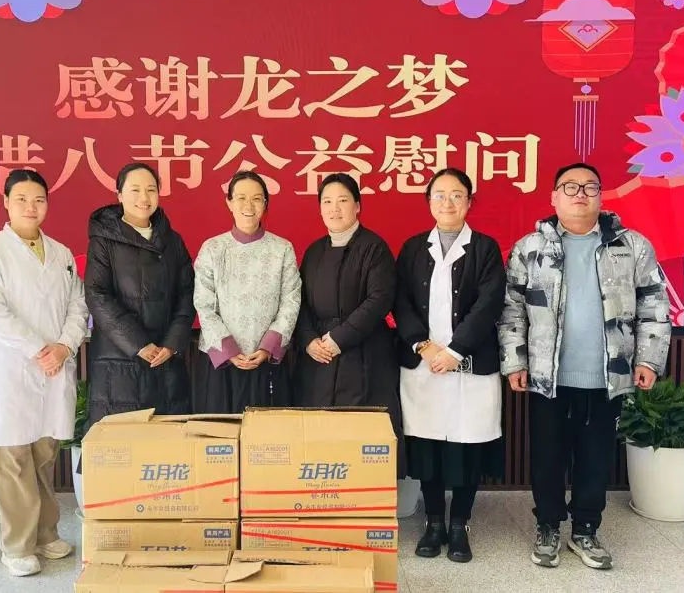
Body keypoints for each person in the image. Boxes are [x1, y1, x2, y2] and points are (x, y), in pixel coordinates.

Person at [499, 162, 672, 570]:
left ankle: (586, 529)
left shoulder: (631, 246)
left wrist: (648, 359)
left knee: (595, 459)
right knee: (547, 458)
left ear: (601, 195)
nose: (580, 194)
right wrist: (515, 361)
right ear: (553, 197)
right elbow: (512, 310)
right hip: (548, 377)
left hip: (607, 376)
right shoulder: (530, 248)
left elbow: (654, 305)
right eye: (570, 187)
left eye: (590, 187)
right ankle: (547, 526)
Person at [0, 170, 88, 577]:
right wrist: (39, 349)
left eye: (38, 199)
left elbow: (78, 307)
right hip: (11, 368)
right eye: (21, 199)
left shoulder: (62, 253)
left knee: (43, 454)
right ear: (6, 202)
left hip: (53, 366)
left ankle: (45, 533)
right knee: (13, 458)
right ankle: (17, 545)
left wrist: (64, 346)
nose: (30, 207)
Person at [393, 169, 506, 563]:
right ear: (428, 202)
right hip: (423, 365)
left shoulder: (485, 249)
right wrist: (423, 345)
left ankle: (460, 524)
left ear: (469, 202)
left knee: (466, 446)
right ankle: (434, 522)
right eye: (439, 195)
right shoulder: (412, 248)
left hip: (469, 366)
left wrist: (455, 350)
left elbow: (489, 303)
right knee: (427, 448)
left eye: (456, 195)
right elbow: (400, 302)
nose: (447, 202)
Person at [293, 173, 403, 466]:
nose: (335, 208)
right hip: (318, 356)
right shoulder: (314, 251)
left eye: (342, 200)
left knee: (361, 440)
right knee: (319, 436)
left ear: (357, 206)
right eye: (327, 201)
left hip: (364, 353)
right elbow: (299, 302)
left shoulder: (374, 247)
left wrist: (338, 338)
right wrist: (308, 340)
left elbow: (379, 300)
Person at [85, 162, 195, 423]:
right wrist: (139, 344)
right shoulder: (104, 240)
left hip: (165, 360)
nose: (144, 198)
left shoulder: (173, 240)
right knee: (123, 441)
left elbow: (188, 293)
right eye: (135, 190)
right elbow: (97, 294)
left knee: (167, 440)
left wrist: (171, 344)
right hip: (119, 362)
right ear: (120, 195)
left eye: (151, 190)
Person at [192, 170, 301, 412]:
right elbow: (204, 304)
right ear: (229, 202)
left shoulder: (282, 249)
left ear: (266, 204)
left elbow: (291, 301)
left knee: (268, 432)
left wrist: (266, 348)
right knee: (220, 431)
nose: (248, 205)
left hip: (266, 361)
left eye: (257, 198)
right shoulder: (212, 249)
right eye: (241, 198)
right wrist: (229, 349)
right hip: (221, 362)